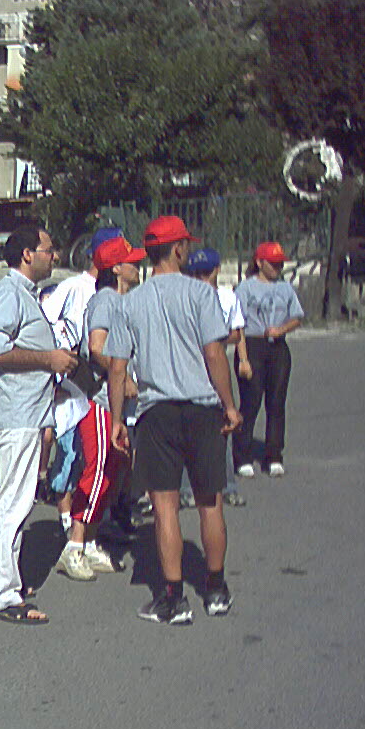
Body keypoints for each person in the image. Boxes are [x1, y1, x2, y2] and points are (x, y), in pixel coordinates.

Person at [105, 216, 242, 625]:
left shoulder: (131, 302)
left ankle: (172, 597)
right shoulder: (201, 295)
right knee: (209, 501)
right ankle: (216, 589)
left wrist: (116, 420)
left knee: (165, 508)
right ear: (179, 249)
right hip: (201, 407)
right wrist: (230, 405)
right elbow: (215, 354)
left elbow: (117, 368)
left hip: (156, 411)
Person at [0, 224, 77, 624]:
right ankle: (4, 594)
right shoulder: (9, 293)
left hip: (22, 412)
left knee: (1, 500)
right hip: (15, 414)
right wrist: (48, 359)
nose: (53, 256)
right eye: (48, 249)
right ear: (26, 255)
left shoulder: (23, 295)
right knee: (14, 505)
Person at [56, 235, 145, 582]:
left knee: (113, 469)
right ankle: (74, 547)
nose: (138, 266)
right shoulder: (106, 299)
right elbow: (96, 347)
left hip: (114, 399)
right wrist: (121, 376)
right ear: (116, 268)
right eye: (132, 262)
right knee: (96, 471)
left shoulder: (121, 300)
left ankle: (90, 542)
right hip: (97, 399)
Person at [38, 227, 123, 530]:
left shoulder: (117, 293)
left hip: (103, 384)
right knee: (71, 447)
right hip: (76, 378)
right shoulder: (75, 286)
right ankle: (67, 517)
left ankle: (97, 515)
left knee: (100, 454)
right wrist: (61, 350)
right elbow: (44, 318)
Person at [182, 248, 250, 507]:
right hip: (192, 366)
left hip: (216, 365)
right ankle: (187, 487)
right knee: (189, 428)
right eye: (196, 273)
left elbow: (236, 332)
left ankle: (227, 484)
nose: (201, 278)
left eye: (206, 273)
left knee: (223, 425)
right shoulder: (188, 297)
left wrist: (242, 358)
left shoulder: (226, 297)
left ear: (217, 270)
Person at [232, 242, 304, 478]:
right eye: (272, 263)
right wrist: (243, 358)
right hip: (252, 344)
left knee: (276, 403)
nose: (277, 267)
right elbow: (237, 323)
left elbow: (297, 316)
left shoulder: (285, 288)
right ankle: (242, 455)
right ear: (260, 262)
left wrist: (282, 329)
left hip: (277, 347)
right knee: (251, 402)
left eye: (280, 263)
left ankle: (274, 455)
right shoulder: (245, 288)